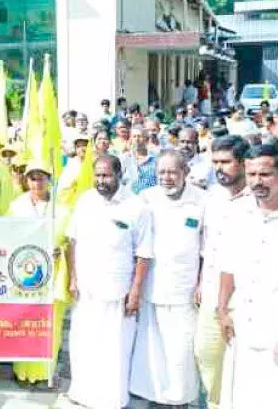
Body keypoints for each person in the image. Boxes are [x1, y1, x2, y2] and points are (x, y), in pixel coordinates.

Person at [65, 155, 153, 409]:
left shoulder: (136, 206)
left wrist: (135, 292)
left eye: (106, 175)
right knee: (83, 343)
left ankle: (112, 400)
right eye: (97, 175)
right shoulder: (85, 201)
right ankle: (82, 394)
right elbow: (72, 241)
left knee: (115, 348)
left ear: (119, 175)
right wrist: (73, 278)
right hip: (86, 290)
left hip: (117, 291)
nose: (101, 181)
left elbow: (144, 253)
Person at [130, 151, 204, 406]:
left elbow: (208, 247)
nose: (167, 177)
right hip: (152, 285)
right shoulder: (146, 198)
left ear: (186, 172)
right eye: (162, 172)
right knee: (152, 345)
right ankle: (154, 395)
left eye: (173, 172)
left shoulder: (201, 200)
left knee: (181, 349)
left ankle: (180, 398)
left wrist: (202, 281)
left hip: (185, 288)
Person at [217, 143, 278, 408]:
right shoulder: (239, 214)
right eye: (252, 174)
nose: (257, 181)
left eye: (265, 174)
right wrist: (221, 310)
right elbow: (227, 266)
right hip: (243, 323)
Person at [195, 135, 249, 408]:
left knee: (240, 361)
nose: (219, 168)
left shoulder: (258, 199)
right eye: (215, 162)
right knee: (205, 353)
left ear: (243, 163)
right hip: (211, 291)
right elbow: (204, 245)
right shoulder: (212, 197)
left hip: (244, 296)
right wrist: (199, 282)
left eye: (226, 162)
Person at [8, 163, 68, 385]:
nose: (37, 183)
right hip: (24, 274)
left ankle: (46, 370)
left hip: (53, 272)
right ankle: (22, 370)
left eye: (41, 177)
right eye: (32, 178)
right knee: (26, 322)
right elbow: (6, 235)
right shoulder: (16, 207)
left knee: (51, 322)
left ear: (49, 180)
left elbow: (70, 240)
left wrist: (60, 250)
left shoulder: (61, 209)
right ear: (26, 181)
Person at [122, 127, 157, 193]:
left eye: (139, 136)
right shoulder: (124, 158)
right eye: (134, 136)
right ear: (130, 139)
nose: (136, 139)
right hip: (130, 195)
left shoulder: (154, 158)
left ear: (146, 139)